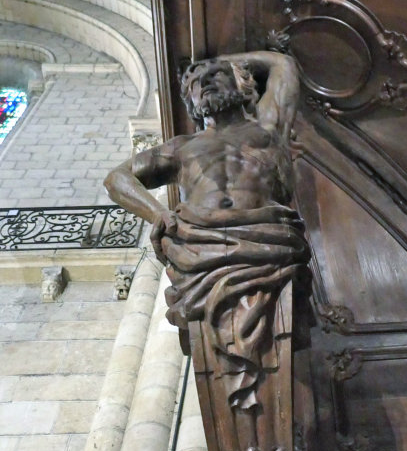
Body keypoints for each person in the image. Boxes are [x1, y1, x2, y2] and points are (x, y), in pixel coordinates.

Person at [104, 51, 311, 409]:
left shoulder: (268, 124)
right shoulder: (182, 147)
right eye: (196, 84)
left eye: (215, 75)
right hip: (201, 248)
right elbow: (116, 178)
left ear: (241, 83)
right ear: (192, 102)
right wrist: (157, 214)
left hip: (268, 243)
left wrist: (224, 58)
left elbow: (285, 65)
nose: (205, 84)